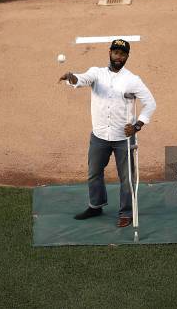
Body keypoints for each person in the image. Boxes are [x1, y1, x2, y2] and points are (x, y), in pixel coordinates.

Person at [58, 39, 156, 227]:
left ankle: (126, 213)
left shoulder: (133, 80)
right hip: (99, 136)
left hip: (124, 138)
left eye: (123, 54)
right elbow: (82, 79)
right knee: (94, 173)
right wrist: (73, 78)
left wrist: (137, 125)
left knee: (127, 178)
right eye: (116, 53)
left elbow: (150, 104)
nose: (119, 57)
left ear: (127, 56)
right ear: (110, 52)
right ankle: (96, 205)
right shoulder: (97, 73)